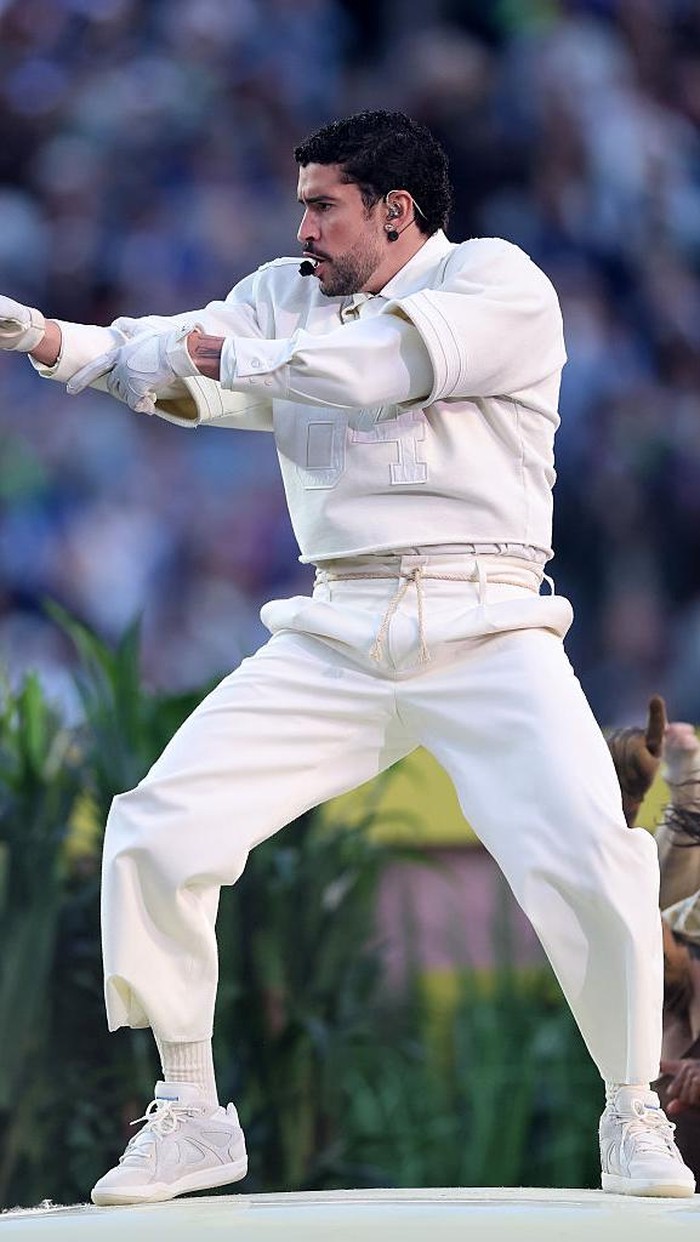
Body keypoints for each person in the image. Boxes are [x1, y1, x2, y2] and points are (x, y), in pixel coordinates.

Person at [0, 109, 694, 1204]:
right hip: (337, 629)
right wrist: (46, 337)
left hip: (493, 626)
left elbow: (366, 374)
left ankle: (632, 1112)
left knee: (591, 858)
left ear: (396, 212)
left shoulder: (497, 283)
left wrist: (234, 353)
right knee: (157, 823)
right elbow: (174, 356)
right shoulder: (286, 294)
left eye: (322, 206)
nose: (303, 228)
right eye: (299, 205)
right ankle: (189, 1110)